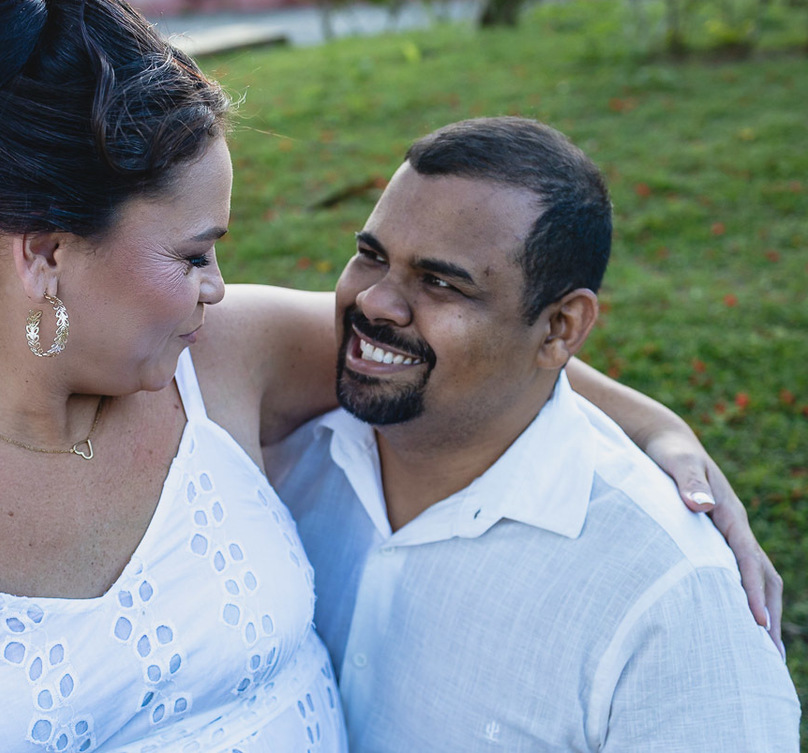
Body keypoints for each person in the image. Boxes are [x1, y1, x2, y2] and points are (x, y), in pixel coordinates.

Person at [0, 0, 777, 752]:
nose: (217, 288)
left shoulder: (222, 358)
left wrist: (659, 428)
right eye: (193, 254)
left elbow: (452, 345)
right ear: (46, 251)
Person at [269, 117, 800, 751]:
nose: (376, 302)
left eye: (440, 281)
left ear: (559, 329)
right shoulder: (282, 456)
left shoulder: (672, 600)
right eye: (371, 255)